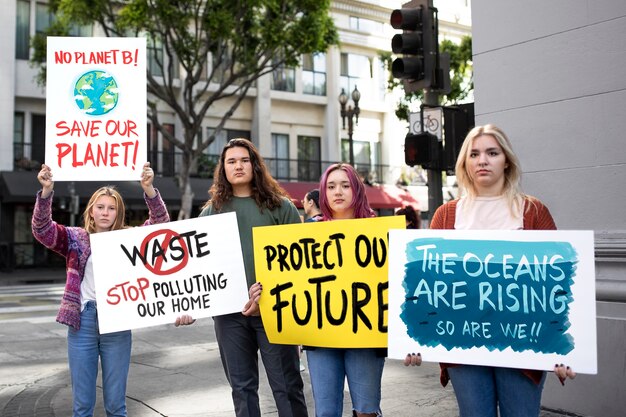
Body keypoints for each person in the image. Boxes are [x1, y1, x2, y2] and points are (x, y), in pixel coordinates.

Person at [404, 124, 575, 417]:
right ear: (465, 163)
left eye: (492, 153)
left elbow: (559, 287)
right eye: (474, 154)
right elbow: (427, 286)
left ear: (506, 160)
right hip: (463, 345)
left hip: (523, 346)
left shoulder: (533, 212)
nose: (482, 160)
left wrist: (564, 349)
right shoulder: (446, 215)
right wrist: (414, 338)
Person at [177, 138, 307, 417]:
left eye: (244, 160)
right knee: (242, 389)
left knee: (287, 387)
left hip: (276, 311)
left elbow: (299, 267)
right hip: (229, 315)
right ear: (223, 169)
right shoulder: (210, 213)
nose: (238, 166)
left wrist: (266, 298)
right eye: (231, 161)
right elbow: (199, 270)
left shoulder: (282, 208)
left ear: (255, 165)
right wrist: (186, 306)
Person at [31, 162, 170, 417]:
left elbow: (160, 226)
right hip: (82, 320)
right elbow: (42, 230)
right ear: (91, 211)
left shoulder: (129, 239)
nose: (106, 212)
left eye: (112, 208)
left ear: (119, 213)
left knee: (116, 406)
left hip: (116, 322)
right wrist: (46, 192)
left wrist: (149, 190)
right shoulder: (75, 238)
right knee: (82, 406)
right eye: (100, 207)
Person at [306, 163, 385, 417]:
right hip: (321, 336)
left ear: (357, 190)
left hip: (366, 334)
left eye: (345, 185)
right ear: (323, 192)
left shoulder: (377, 231)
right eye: (330, 186)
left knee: (366, 410)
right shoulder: (308, 233)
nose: (337, 191)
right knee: (326, 412)